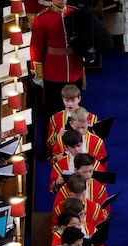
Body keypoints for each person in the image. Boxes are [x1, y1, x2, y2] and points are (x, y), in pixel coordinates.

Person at [30, 0, 85, 158]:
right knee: (52, 113)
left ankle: (78, 143)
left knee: (76, 110)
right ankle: (50, 148)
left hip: (74, 69)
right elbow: (36, 47)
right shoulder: (42, 18)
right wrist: (38, 73)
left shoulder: (74, 13)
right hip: (53, 72)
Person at [46, 84, 98, 153]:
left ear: (79, 99)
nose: (70, 104)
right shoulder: (55, 118)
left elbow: (98, 143)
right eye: (67, 101)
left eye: (73, 101)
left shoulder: (92, 118)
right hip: (65, 155)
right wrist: (58, 136)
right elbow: (49, 146)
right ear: (62, 99)